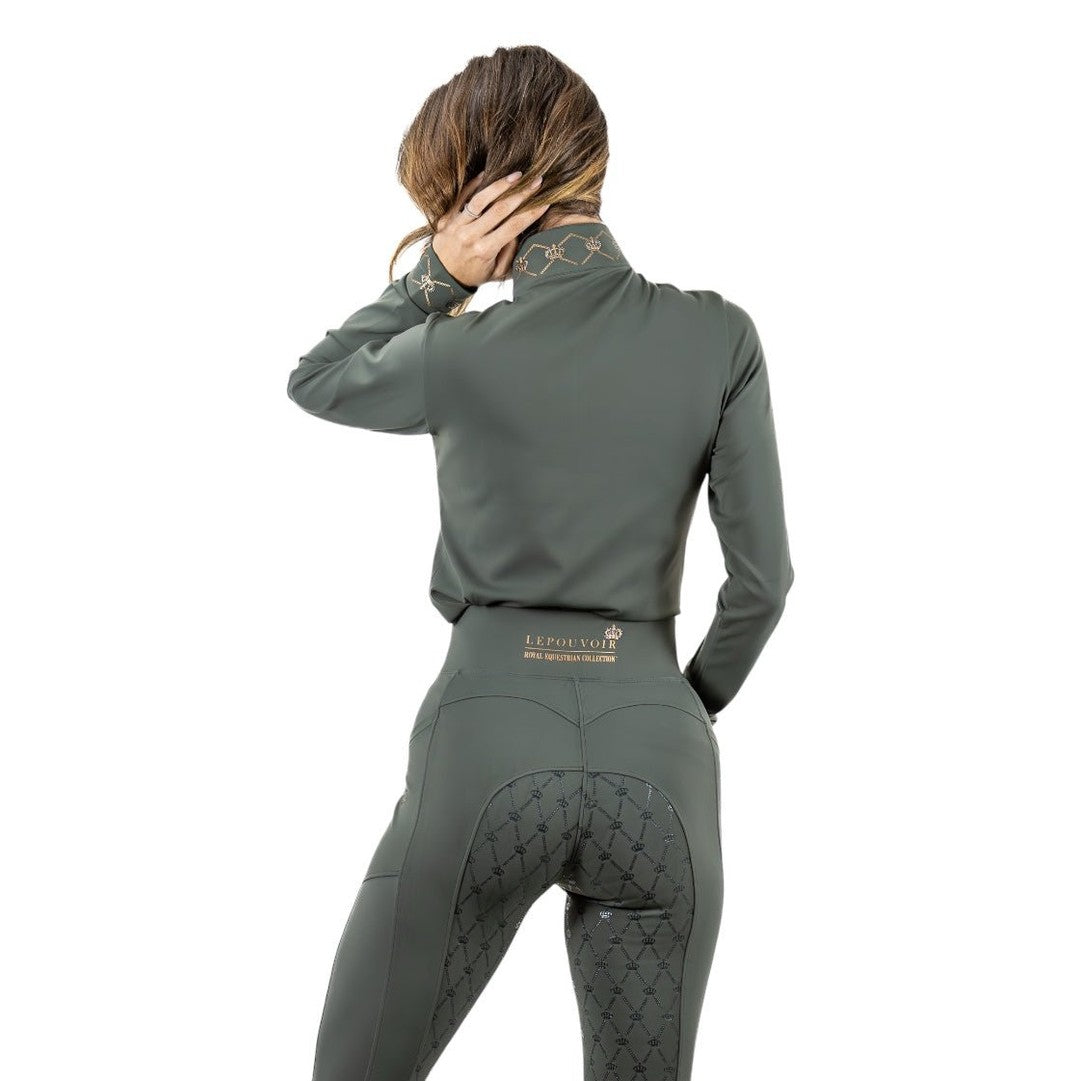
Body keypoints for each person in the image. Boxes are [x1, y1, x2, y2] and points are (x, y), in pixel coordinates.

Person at [285, 44, 794, 1081]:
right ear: (590, 165)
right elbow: (762, 583)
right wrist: (675, 703)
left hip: (487, 748)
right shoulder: (720, 337)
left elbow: (318, 380)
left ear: (473, 194)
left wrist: (436, 278)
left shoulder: (459, 349)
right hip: (658, 764)